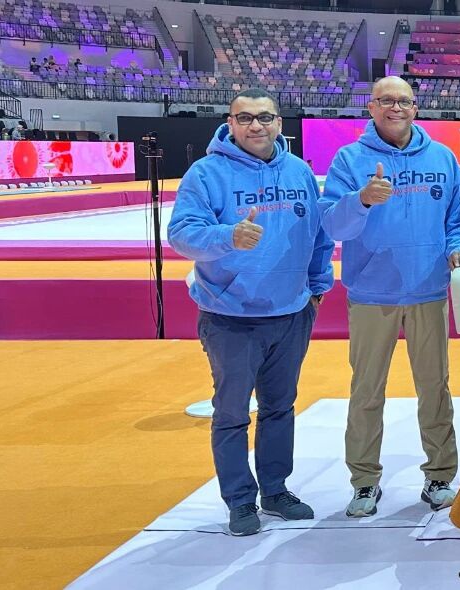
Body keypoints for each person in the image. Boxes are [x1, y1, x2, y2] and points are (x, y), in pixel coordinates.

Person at [167, 88, 334, 536]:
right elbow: (181, 233)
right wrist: (227, 237)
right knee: (232, 413)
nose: (255, 125)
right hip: (231, 317)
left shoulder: (299, 171)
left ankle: (275, 490)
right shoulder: (206, 173)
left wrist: (317, 288)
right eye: (244, 118)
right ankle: (240, 500)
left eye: (263, 117)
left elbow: (318, 234)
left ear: (279, 123)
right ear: (230, 123)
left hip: (291, 312)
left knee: (280, 408)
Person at [319, 76, 460, 517]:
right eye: (386, 100)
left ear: (415, 107)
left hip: (428, 290)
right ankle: (364, 481)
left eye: (403, 101)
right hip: (372, 293)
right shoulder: (350, 159)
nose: (395, 108)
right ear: (371, 107)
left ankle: (440, 474)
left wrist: (457, 248)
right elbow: (332, 225)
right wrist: (362, 200)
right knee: (367, 391)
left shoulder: (442, 157)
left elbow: (457, 221)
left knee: (435, 388)